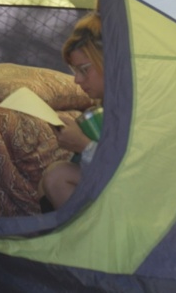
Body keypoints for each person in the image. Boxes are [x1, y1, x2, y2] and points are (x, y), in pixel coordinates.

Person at [41, 12, 104, 209]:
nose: (77, 80)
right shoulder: (107, 107)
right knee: (46, 181)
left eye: (85, 69)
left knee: (58, 177)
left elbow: (136, 172)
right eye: (74, 71)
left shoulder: (139, 108)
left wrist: (84, 145)